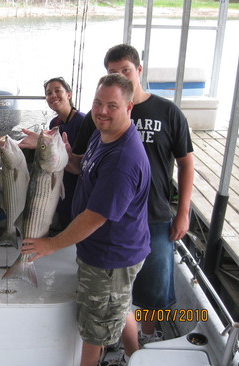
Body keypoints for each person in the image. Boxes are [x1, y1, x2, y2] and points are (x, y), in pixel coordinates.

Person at [21, 73, 151, 366]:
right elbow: (86, 168)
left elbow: (94, 218)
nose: (102, 111)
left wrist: (50, 245)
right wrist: (69, 156)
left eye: (112, 105)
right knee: (118, 304)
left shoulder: (123, 159)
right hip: (108, 254)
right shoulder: (103, 134)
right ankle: (136, 355)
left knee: (94, 329)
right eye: (97, 103)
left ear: (129, 108)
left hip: (111, 258)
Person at [73, 44, 194, 346]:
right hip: (113, 222)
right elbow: (80, 161)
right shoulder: (98, 115)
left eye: (125, 71)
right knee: (119, 288)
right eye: (112, 73)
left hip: (155, 214)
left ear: (139, 71)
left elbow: (186, 162)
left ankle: (147, 335)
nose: (120, 77)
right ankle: (130, 342)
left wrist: (183, 211)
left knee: (152, 291)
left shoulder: (169, 112)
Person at [18, 77, 86, 229]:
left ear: (69, 94)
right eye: (49, 93)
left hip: (77, 191)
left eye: (57, 91)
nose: (53, 95)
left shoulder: (83, 122)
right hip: (57, 186)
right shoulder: (54, 124)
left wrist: (41, 144)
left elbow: (84, 163)